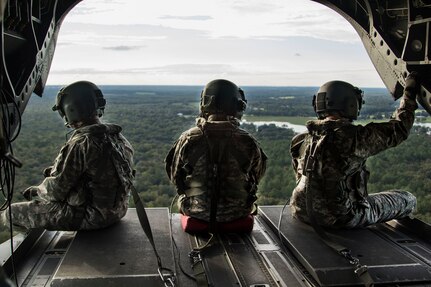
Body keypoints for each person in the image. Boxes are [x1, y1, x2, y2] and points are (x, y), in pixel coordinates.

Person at [290, 74, 419, 229]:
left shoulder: (301, 139)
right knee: (407, 199)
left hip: (302, 212)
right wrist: (409, 94)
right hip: (342, 217)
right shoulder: (355, 138)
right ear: (351, 104)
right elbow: (399, 129)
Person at [3, 81, 134, 231]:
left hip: (91, 217)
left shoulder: (82, 143)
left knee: (10, 214)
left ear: (69, 110)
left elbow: (56, 191)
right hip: (117, 212)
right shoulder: (118, 138)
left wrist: (37, 190)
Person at [165, 79, 267, 225]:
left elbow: (175, 177)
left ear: (204, 104)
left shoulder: (188, 138)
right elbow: (256, 176)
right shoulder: (248, 142)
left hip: (194, 211)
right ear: (237, 106)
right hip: (238, 213)